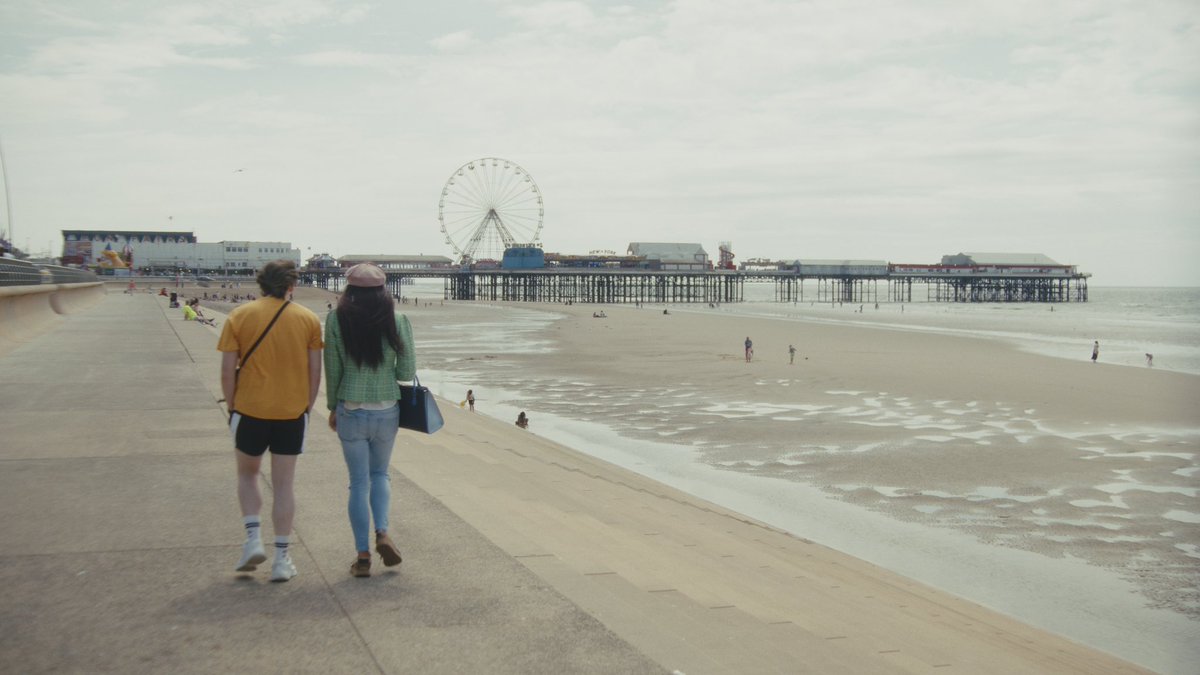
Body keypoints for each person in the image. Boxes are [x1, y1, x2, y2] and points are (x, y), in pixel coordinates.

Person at [218, 260, 323, 583]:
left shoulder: (240, 316)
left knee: (248, 475)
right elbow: (315, 372)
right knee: (284, 485)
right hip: (291, 413)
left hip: (249, 409)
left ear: (261, 284)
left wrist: (234, 407)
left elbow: (226, 371)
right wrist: (306, 408)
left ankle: (252, 539)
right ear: (291, 285)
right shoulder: (308, 319)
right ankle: (281, 559)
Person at [324, 263, 414, 578]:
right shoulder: (399, 320)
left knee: (358, 482)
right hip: (388, 408)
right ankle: (383, 532)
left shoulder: (335, 320)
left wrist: (332, 406)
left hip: (351, 407)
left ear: (349, 290)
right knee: (381, 475)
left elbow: (332, 368)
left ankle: (362, 556)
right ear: (382, 291)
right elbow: (406, 372)